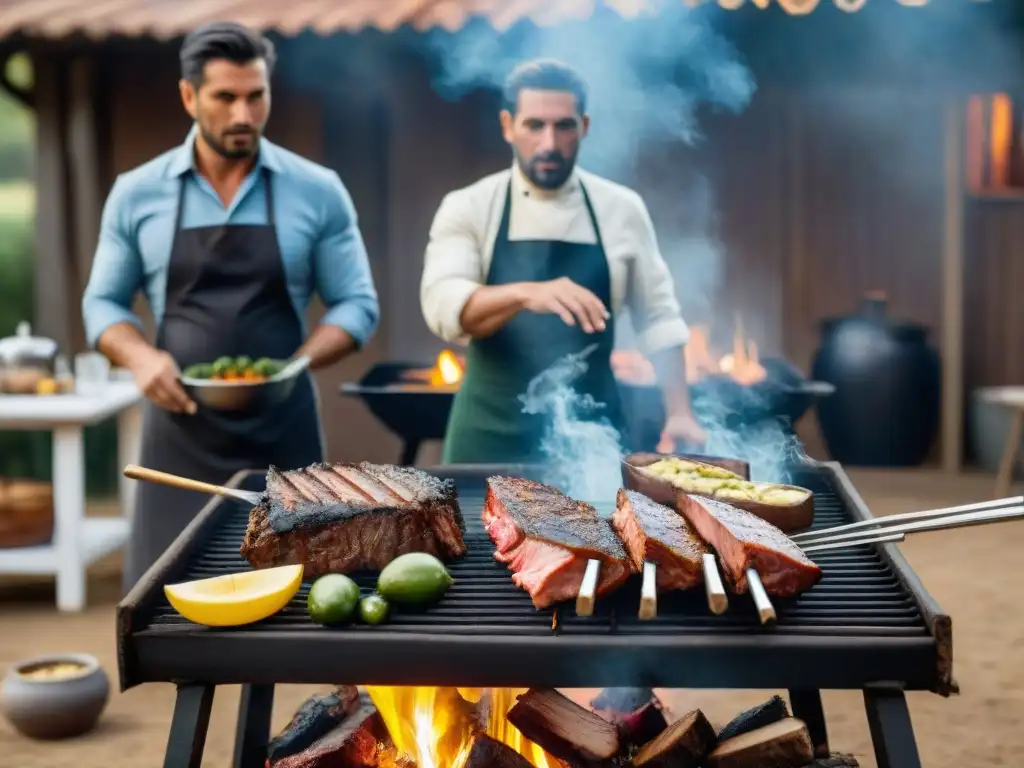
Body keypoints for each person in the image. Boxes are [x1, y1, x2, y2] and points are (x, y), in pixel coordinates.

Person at [82, 22, 379, 591]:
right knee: (173, 607)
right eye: (226, 97)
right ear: (189, 96)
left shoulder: (317, 190)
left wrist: (296, 365)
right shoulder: (137, 192)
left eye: (256, 95)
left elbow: (357, 304)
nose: (244, 114)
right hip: (178, 438)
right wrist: (142, 358)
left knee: (288, 604)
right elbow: (103, 303)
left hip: (284, 435)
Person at [420, 58, 706, 464]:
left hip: (595, 443)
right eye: (534, 125)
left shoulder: (621, 209)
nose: (549, 143)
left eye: (564, 126)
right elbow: (444, 309)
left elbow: (659, 319)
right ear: (508, 126)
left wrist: (680, 412)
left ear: (584, 127)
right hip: (487, 440)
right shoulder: (470, 206)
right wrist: (527, 293)